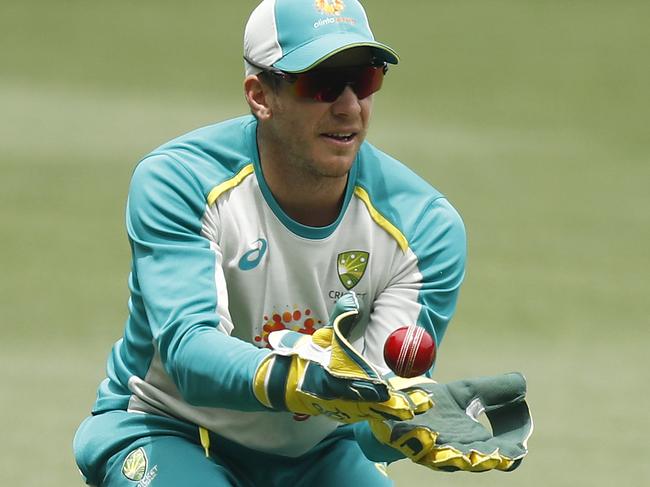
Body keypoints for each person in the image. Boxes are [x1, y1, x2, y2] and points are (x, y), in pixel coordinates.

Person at [73, 1, 531, 486]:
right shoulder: (179, 180)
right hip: (171, 426)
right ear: (260, 96)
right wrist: (303, 379)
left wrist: (410, 422)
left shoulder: (424, 229)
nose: (350, 105)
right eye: (323, 82)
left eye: (365, 78)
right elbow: (191, 356)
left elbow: (364, 415)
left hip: (316, 453)